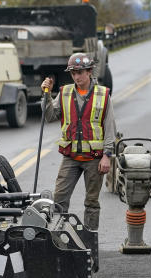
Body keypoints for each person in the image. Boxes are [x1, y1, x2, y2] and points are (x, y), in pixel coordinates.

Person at [40, 52, 115, 231]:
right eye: (73, 73)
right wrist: (46, 95)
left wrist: (107, 156)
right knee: (59, 200)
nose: (76, 76)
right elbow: (50, 116)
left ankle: (90, 239)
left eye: (80, 72)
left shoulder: (103, 94)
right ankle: (59, 236)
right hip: (71, 157)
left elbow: (110, 126)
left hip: (94, 158)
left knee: (91, 202)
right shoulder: (65, 92)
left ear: (89, 71)